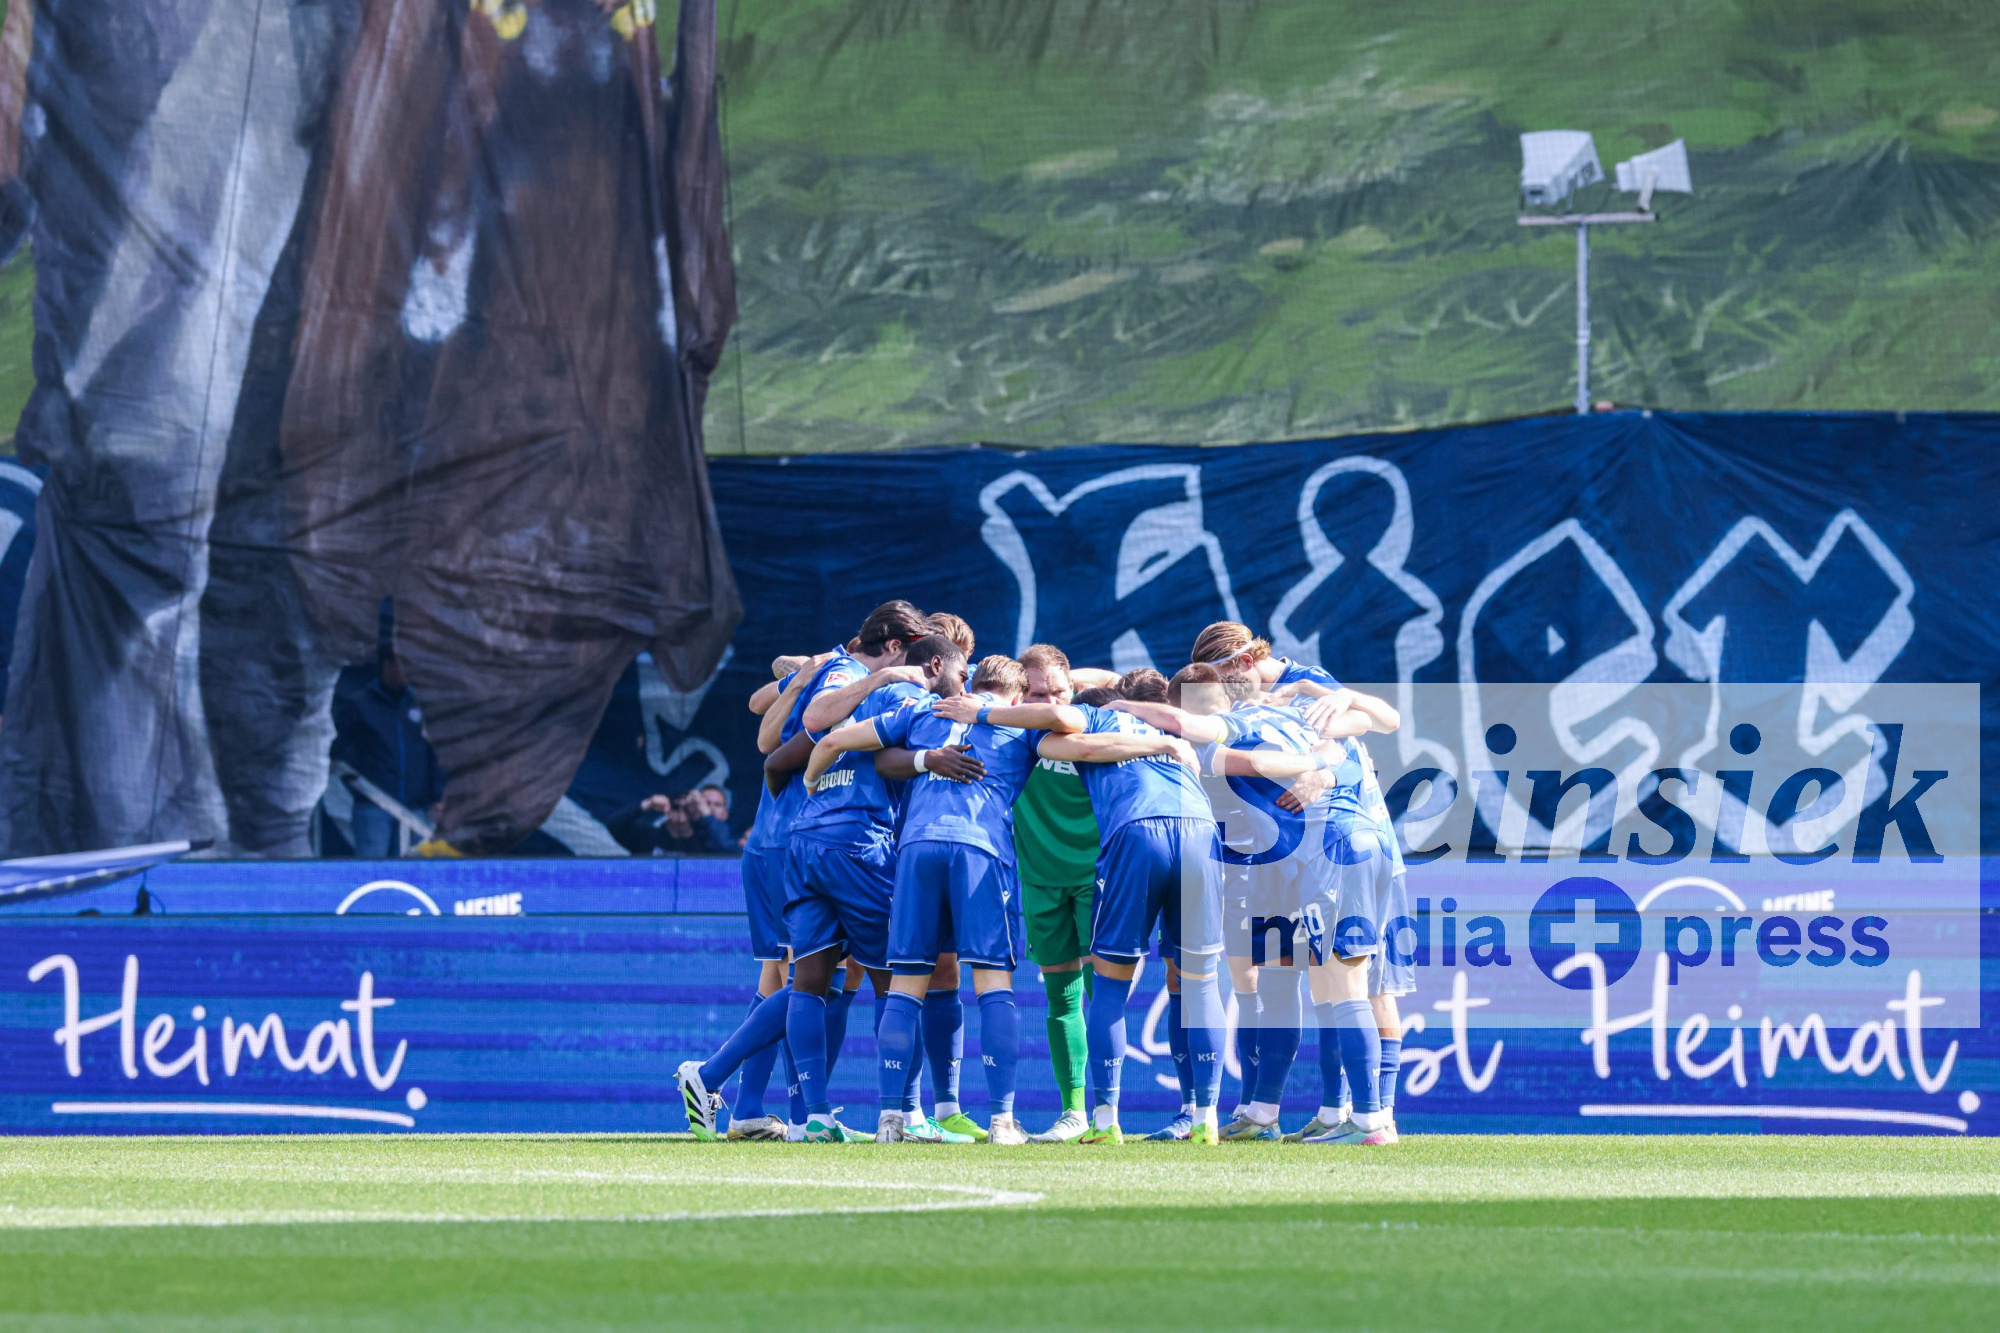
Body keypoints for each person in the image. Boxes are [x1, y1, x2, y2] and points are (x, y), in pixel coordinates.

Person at [931, 683, 1236, 1145]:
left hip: (1137, 830)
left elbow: (1064, 726)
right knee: (1201, 982)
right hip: (1200, 829)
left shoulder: (1094, 720)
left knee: (1109, 985)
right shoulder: (1170, 725)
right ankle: (1205, 1119)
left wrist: (985, 713)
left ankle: (1106, 1119)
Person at [1005, 645, 1120, 1142]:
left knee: (1103, 994)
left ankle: (1108, 1113)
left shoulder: (1097, 722)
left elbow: (1116, 679)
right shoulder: (1009, 732)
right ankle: (1073, 1112)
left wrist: (1066, 684)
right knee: (1060, 998)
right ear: (1018, 696)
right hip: (1039, 877)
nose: (1052, 704)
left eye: (1060, 692)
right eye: (1039, 694)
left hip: (1097, 874)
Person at [330, 652, 445, 858]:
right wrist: (358, 785)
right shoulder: (360, 704)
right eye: (402, 665)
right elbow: (338, 752)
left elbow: (433, 751)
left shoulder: (420, 704)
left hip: (416, 809)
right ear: (387, 665)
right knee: (373, 870)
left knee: (414, 870)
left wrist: (438, 795)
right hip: (373, 807)